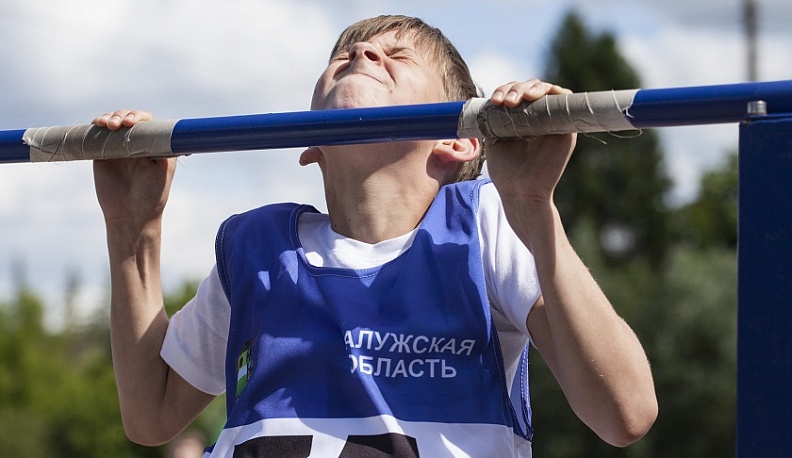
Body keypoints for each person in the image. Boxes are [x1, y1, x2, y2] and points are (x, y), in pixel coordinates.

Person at [92, 15, 657, 457]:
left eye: (397, 57)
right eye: (345, 55)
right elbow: (151, 415)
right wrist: (131, 227)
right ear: (310, 143)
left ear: (457, 141)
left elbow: (624, 413)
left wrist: (534, 208)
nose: (361, 54)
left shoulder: (484, 223)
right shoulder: (256, 250)